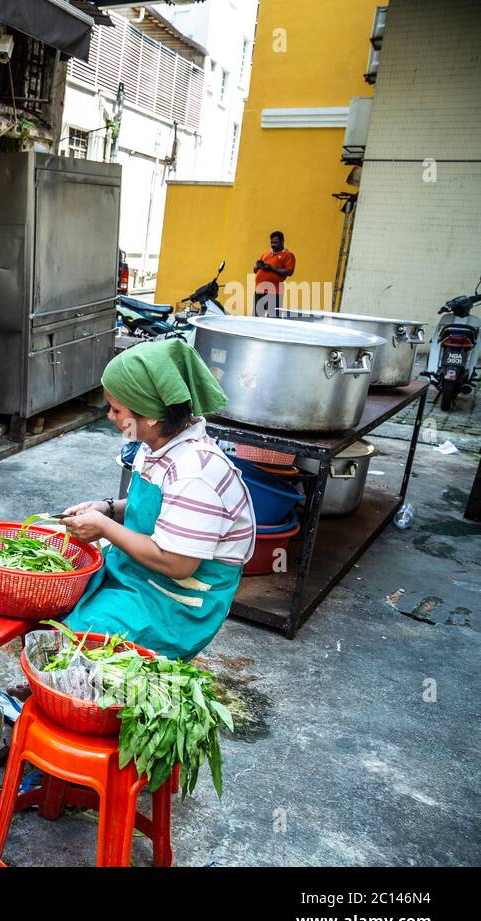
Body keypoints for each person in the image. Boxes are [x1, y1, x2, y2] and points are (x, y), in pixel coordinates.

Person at [54, 338, 256, 662]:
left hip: (175, 599)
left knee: (81, 638)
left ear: (149, 416)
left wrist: (104, 528)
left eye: (116, 409)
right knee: (55, 587)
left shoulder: (195, 474)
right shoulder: (154, 446)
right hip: (139, 569)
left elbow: (177, 563)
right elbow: (156, 512)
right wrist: (107, 508)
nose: (109, 416)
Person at [253, 230, 295, 317]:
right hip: (260, 290)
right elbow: (255, 270)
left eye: (275, 242)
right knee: (256, 318)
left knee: (272, 318)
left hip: (274, 292)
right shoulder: (266, 253)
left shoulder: (288, 255)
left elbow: (289, 271)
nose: (273, 244)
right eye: (271, 242)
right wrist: (257, 265)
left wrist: (272, 268)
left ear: (282, 241)